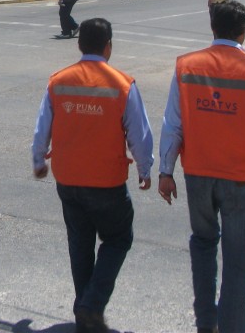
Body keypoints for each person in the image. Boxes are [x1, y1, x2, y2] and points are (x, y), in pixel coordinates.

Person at [158, 0, 245, 333]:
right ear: (244, 31)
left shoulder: (187, 67)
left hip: (198, 176)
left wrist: (166, 171)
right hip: (241, 179)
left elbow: (172, 124)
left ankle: (206, 324)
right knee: (238, 263)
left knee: (203, 244)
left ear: (213, 28)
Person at [31, 17, 154, 333]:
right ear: (109, 46)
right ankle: (92, 304)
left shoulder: (59, 81)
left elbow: (41, 127)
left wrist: (38, 161)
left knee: (80, 244)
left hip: (68, 179)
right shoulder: (121, 84)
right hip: (106, 181)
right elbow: (139, 133)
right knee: (118, 238)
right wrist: (145, 168)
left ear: (79, 45)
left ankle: (85, 314)